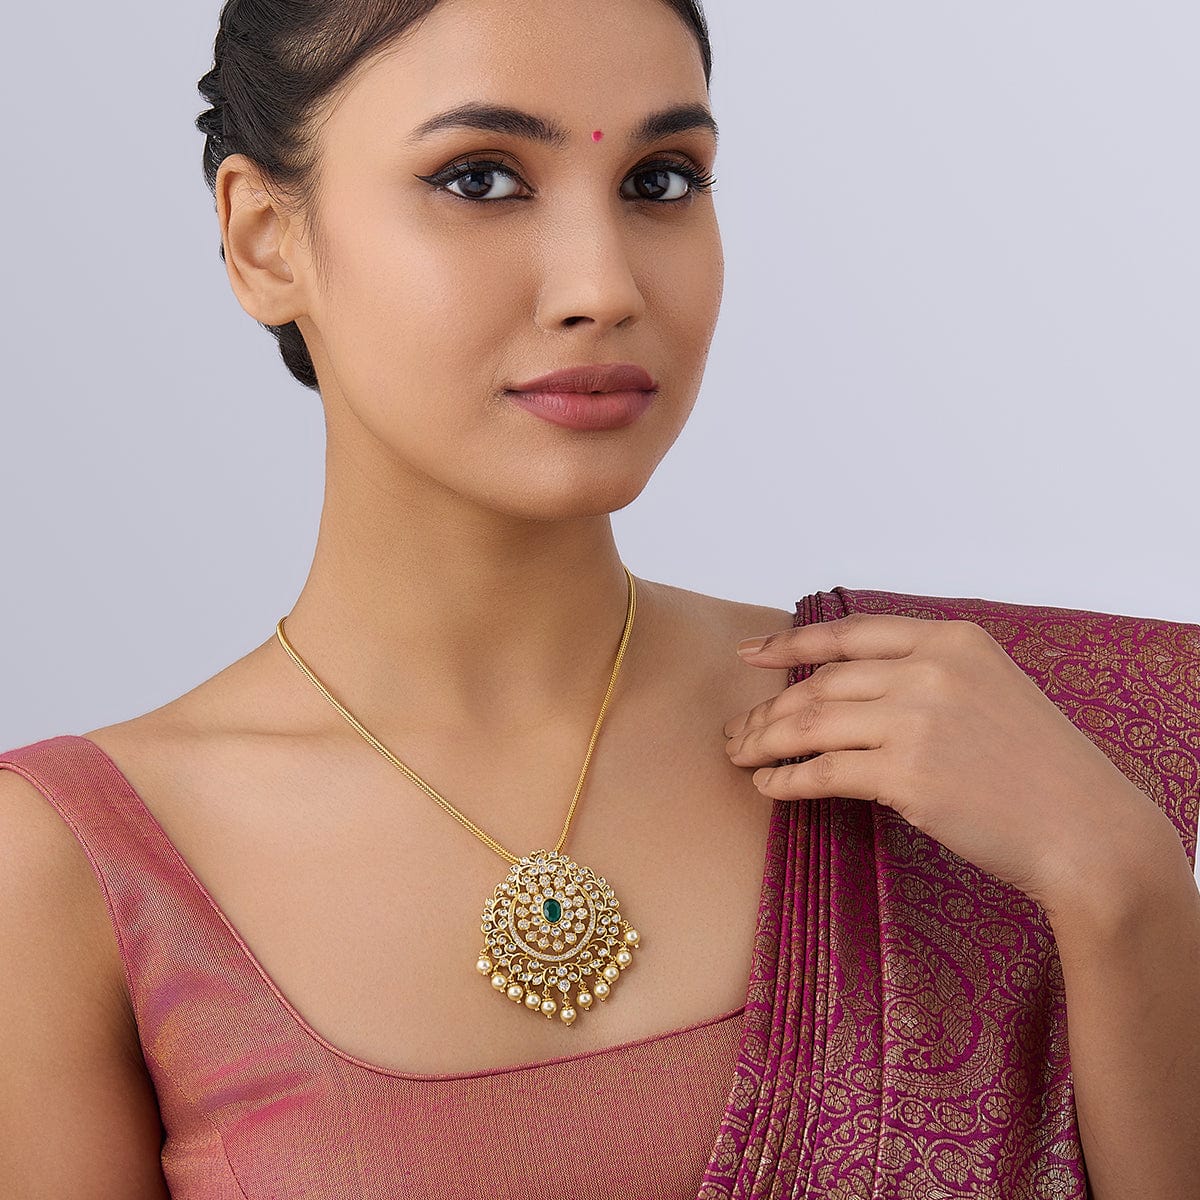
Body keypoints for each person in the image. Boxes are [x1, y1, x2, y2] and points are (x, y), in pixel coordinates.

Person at [1, 2, 1196, 1197]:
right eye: (479, 179)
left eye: (660, 180)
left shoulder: (989, 742)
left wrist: (1121, 880)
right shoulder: (77, 868)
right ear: (266, 242)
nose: (603, 286)